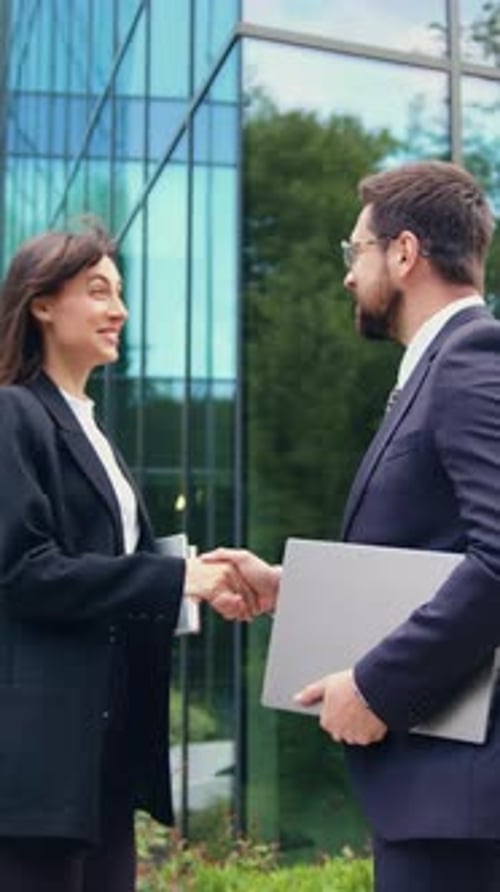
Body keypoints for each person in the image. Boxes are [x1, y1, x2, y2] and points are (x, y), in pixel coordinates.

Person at [205, 161, 500, 891]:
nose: (346, 276)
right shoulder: (439, 370)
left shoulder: (469, 358)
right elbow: (436, 551)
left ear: (404, 254)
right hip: (440, 799)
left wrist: (376, 686)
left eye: (354, 252)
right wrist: (291, 589)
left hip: (460, 806)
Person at [0, 223, 253, 892]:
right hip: (38, 761)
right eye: (98, 291)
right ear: (42, 304)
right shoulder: (12, 414)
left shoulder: (93, 429)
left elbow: (116, 570)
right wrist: (175, 578)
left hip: (102, 753)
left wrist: (196, 590)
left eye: (120, 292)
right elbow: (23, 573)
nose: (120, 310)